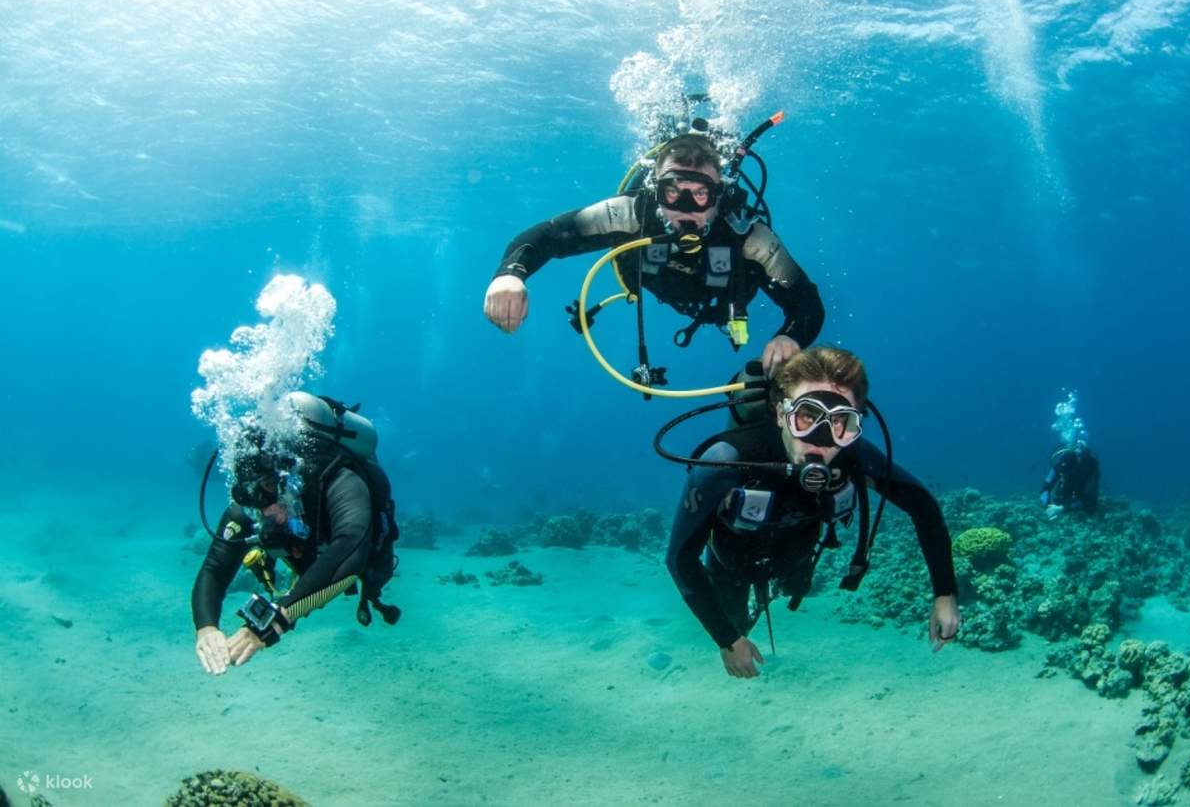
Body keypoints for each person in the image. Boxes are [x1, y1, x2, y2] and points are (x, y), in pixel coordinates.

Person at [664, 346, 961, 678]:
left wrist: (945, 594)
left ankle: (771, 594)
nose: (821, 440)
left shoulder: (854, 454)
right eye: (807, 416)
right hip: (730, 563)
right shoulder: (726, 460)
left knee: (792, 588)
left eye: (840, 422)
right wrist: (728, 640)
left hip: (797, 556)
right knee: (735, 622)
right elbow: (680, 558)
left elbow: (923, 506)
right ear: (780, 414)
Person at [482, 133, 825, 378]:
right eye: (673, 192)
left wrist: (789, 336)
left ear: (719, 196)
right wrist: (510, 274)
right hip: (655, 283)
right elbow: (545, 236)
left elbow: (806, 303)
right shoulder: (630, 213)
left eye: (701, 194)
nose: (686, 209)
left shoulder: (747, 236)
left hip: (720, 303)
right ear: (654, 190)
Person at [192, 395, 400, 676]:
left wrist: (277, 618)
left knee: (371, 572)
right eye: (252, 494)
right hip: (313, 559)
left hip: (358, 557)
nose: (263, 510)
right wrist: (206, 628)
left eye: (267, 487)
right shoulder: (255, 503)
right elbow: (215, 569)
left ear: (288, 479)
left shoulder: (341, 480)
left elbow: (352, 548)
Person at [1040, 441, 1100, 518]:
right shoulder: (1063, 462)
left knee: (1090, 508)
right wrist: (1047, 507)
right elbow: (1045, 487)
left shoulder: (1090, 467)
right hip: (1065, 500)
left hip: (1081, 502)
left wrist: (1061, 509)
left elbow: (1089, 496)